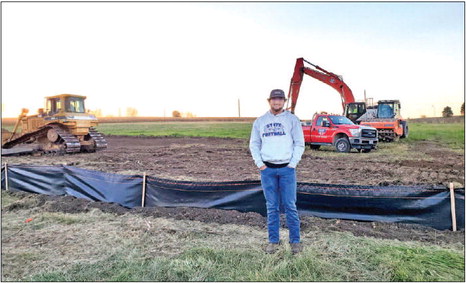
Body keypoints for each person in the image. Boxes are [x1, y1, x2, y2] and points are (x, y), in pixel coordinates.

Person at [249, 89, 305, 255]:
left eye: (280, 99)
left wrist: (293, 164)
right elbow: (254, 144)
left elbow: (299, 143)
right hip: (267, 170)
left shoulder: (292, 120)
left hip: (287, 169)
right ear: (269, 101)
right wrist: (260, 164)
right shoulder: (260, 122)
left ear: (284, 102)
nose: (277, 102)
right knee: (272, 206)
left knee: (290, 205)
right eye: (274, 99)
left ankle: (295, 241)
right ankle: (273, 241)